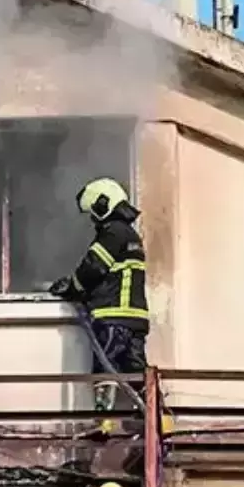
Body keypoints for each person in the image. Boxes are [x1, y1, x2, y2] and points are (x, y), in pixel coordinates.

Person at [48, 177, 149, 432]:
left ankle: (104, 422)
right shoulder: (131, 235)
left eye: (94, 212)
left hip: (113, 317)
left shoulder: (112, 233)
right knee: (137, 372)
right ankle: (158, 420)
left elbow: (93, 267)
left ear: (103, 205)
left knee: (106, 367)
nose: (93, 220)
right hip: (136, 319)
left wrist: (72, 287)